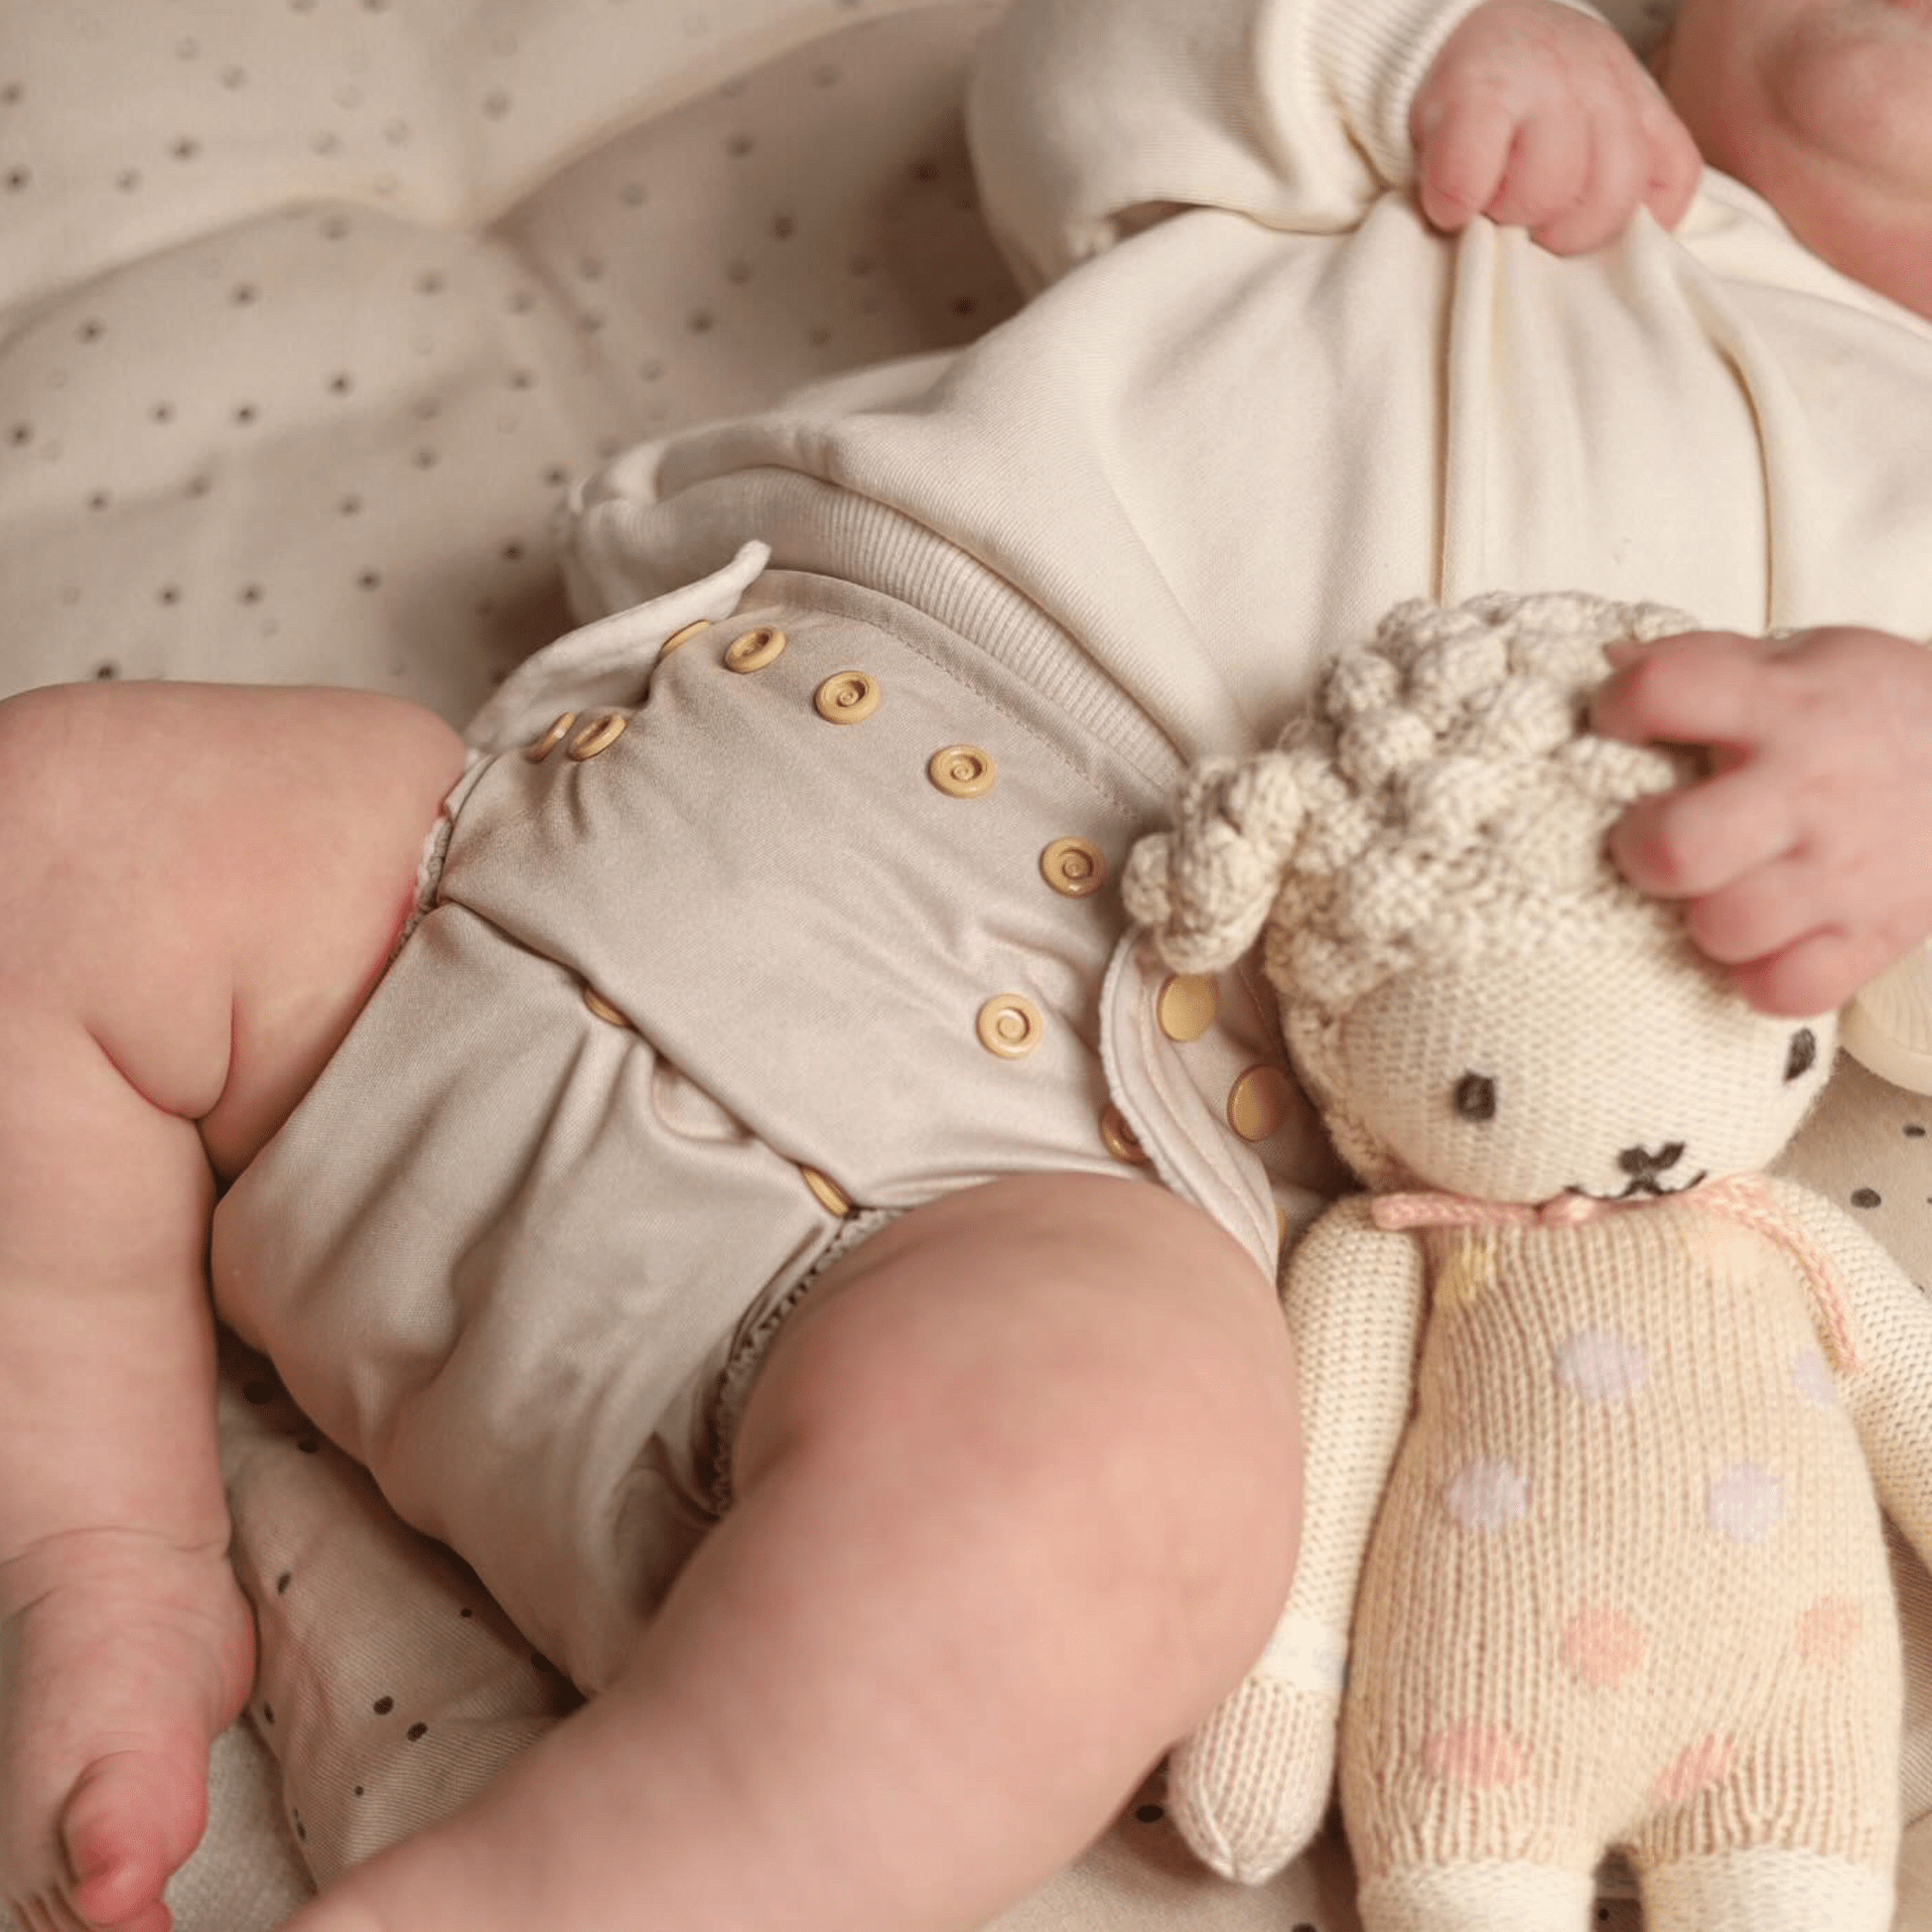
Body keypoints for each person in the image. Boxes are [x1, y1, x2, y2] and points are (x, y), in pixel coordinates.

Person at [3, 4, 1931, 1931]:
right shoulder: (1428, 127)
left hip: (1007, 1188)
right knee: (62, 830)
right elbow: (1073, 84)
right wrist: (1397, 49)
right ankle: (92, 1541)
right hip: (513, 855)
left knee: (1129, 1491)